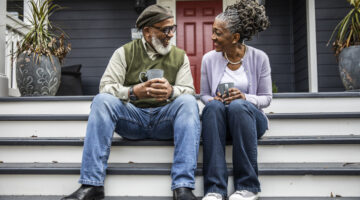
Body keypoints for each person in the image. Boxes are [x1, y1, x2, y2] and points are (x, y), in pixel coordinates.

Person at [62, 4, 200, 200]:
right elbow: (106, 86)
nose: (170, 34)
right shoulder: (124, 52)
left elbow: (189, 91)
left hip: (165, 121)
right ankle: (92, 184)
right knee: (102, 101)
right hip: (132, 120)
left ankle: (183, 187)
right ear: (147, 31)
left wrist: (171, 91)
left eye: (172, 28)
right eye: (165, 29)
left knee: (188, 102)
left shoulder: (180, 56)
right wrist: (132, 92)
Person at [200, 1, 271, 200]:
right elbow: (204, 94)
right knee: (212, 106)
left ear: (235, 37)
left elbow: (267, 98)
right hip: (221, 119)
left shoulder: (260, 58)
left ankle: (248, 187)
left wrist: (245, 97)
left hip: (250, 119)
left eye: (218, 33)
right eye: (212, 31)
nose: (213, 37)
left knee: (239, 106)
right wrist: (213, 99)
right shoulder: (208, 59)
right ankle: (215, 189)